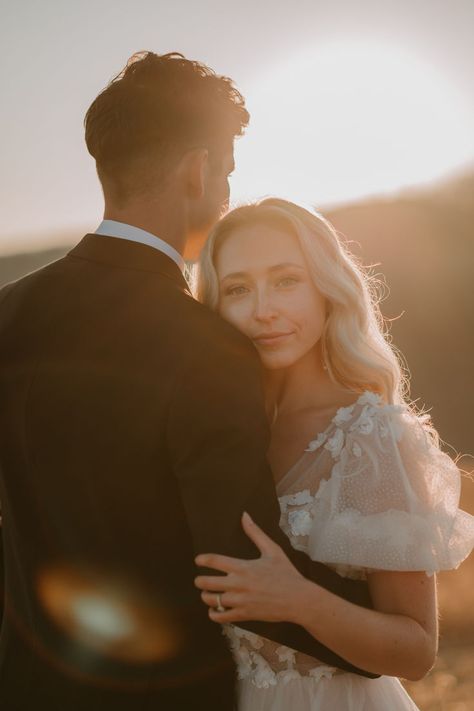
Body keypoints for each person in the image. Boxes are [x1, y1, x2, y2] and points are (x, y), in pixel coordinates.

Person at [0, 52, 378, 710]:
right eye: (227, 174)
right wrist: (380, 633)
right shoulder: (209, 347)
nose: (225, 193)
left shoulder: (7, 312)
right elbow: (236, 572)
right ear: (199, 169)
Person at [194, 198, 474, 710]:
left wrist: (297, 599)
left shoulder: (371, 437)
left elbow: (416, 652)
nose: (263, 310)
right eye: (238, 289)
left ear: (326, 289)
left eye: (286, 280)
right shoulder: (211, 434)